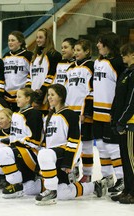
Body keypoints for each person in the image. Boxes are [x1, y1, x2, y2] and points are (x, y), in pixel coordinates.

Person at [35, 84, 107, 205]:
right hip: (52, 156)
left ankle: (51, 191)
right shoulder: (48, 116)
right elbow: (47, 142)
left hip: (65, 153)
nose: (49, 98)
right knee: (63, 194)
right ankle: (95, 186)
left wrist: (69, 162)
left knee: (45, 154)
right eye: (48, 95)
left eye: (53, 95)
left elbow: (74, 140)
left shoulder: (70, 114)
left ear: (61, 97)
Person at [0, 87, 43, 198]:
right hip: (20, 151)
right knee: (29, 188)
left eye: (19, 97)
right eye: (16, 96)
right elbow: (15, 137)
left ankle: (15, 184)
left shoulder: (34, 114)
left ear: (28, 98)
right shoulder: (16, 114)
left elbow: (35, 140)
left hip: (32, 152)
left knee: (2, 152)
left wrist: (16, 145)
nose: (16, 99)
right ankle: (8, 178)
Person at [93, 32, 125, 193]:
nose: (97, 45)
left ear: (108, 44)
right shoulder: (98, 62)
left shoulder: (119, 63)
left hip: (111, 112)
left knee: (113, 147)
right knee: (100, 145)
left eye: (101, 43)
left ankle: (121, 178)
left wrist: (118, 112)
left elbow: (122, 90)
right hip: (96, 112)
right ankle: (107, 177)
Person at [66, 39, 94, 182]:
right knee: (71, 142)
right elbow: (66, 90)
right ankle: (74, 168)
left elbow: (92, 91)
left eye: (79, 50)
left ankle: (88, 174)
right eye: (75, 50)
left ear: (87, 51)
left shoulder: (91, 66)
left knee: (87, 144)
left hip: (83, 113)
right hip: (70, 112)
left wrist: (86, 112)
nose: (76, 53)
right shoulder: (70, 68)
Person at [110, 42, 134, 204]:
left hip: (130, 123)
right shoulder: (126, 72)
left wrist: (122, 120)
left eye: (125, 54)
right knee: (125, 159)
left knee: (132, 160)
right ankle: (127, 189)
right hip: (122, 122)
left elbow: (132, 102)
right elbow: (118, 98)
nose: (123, 57)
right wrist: (114, 118)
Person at [30, 28, 62, 114]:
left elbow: (51, 77)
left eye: (41, 37)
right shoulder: (34, 56)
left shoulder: (54, 55)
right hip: (33, 98)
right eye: (36, 37)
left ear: (47, 38)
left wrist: (39, 98)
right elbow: (30, 77)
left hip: (45, 99)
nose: (37, 40)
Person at [3, 31, 33, 111]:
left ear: (20, 42)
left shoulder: (28, 55)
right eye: (9, 40)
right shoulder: (6, 56)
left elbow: (32, 74)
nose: (10, 42)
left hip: (22, 95)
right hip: (7, 95)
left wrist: (26, 90)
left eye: (13, 40)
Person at [0, 108, 13, 188]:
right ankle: (0, 175)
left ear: (10, 118)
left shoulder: (17, 130)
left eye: (2, 118)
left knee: (0, 148)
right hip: (3, 163)